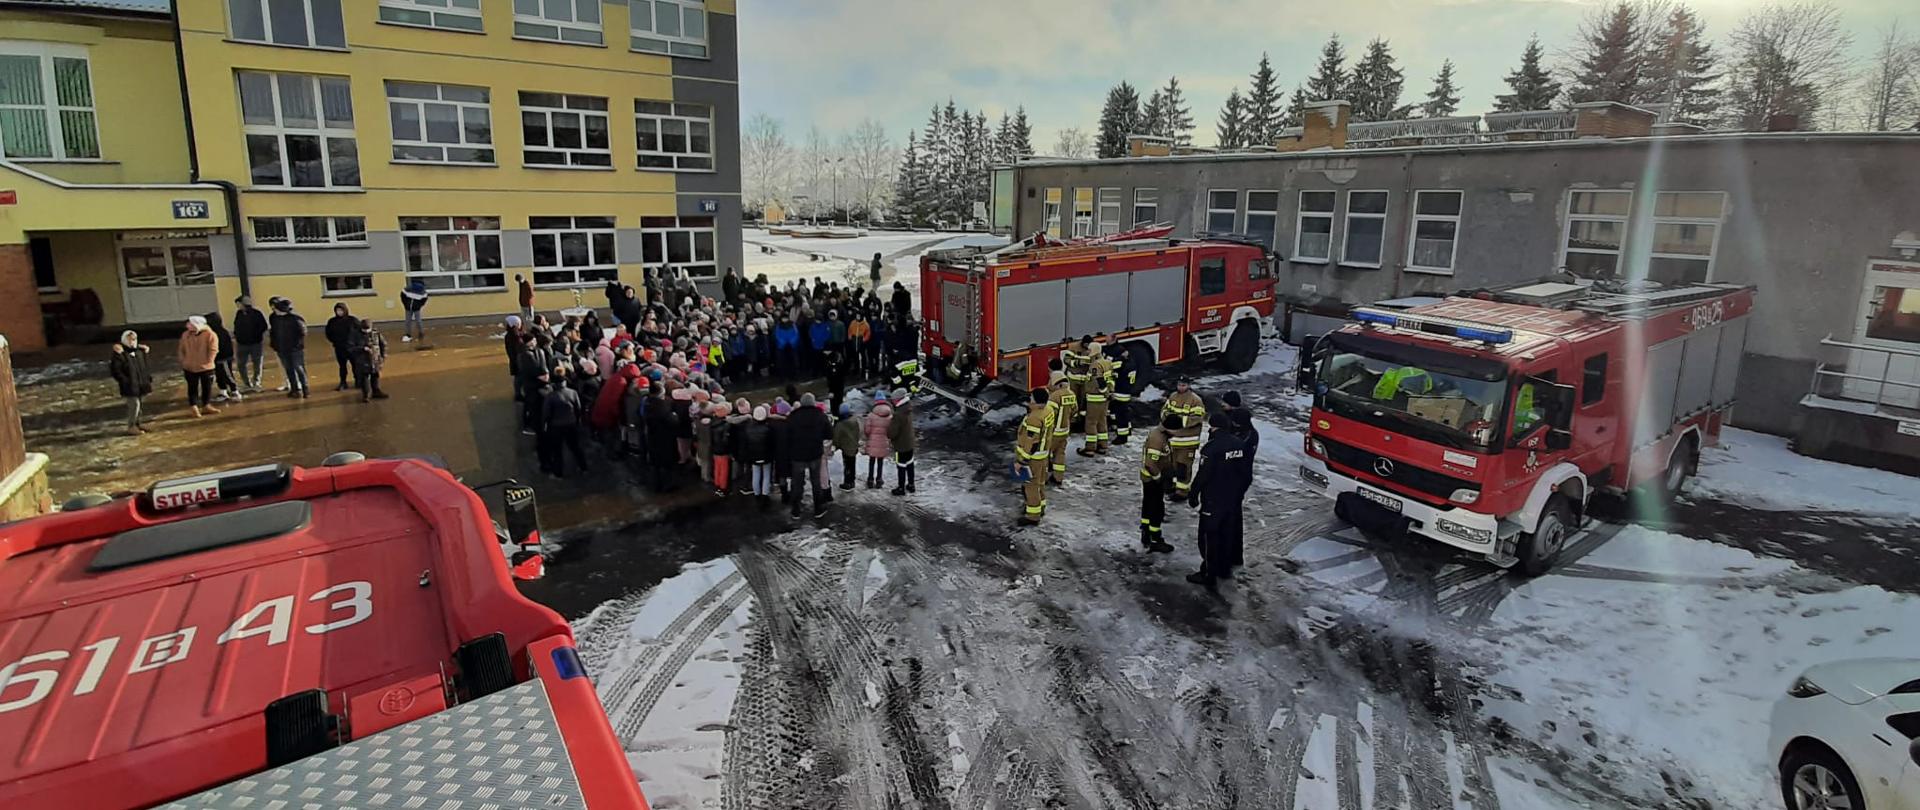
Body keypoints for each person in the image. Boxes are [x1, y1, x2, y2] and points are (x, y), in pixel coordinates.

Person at [1186, 411, 1253, 590]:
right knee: (1227, 533)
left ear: (1214, 426)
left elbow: (1203, 475)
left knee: (1209, 536)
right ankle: (1224, 568)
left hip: (1214, 499)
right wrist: (1239, 493)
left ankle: (1208, 572)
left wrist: (1193, 494)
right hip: (1232, 500)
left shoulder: (1212, 448)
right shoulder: (1240, 445)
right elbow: (1247, 474)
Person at [785, 393, 832, 517]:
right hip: (815, 453)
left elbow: (786, 435)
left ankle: (796, 510)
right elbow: (829, 434)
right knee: (816, 481)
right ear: (813, 402)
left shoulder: (793, 416)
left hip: (797, 455)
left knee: (797, 483)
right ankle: (818, 508)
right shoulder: (820, 415)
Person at [1138, 414, 1179, 553]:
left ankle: (1146, 532)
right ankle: (1155, 539)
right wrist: (1159, 478)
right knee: (1156, 509)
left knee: (1148, 505)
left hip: (1150, 478)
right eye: (1177, 430)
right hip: (1153, 480)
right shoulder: (1158, 439)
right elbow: (1150, 463)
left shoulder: (1161, 435)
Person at [1162, 377, 1206, 501]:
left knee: (1183, 467)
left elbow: (1197, 417)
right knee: (1173, 466)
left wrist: (1178, 421)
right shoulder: (1172, 396)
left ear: (1188, 385)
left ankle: (1182, 492)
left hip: (1188, 441)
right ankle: (1173, 487)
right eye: (1179, 385)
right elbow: (1164, 411)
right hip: (1173, 440)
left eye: (1183, 385)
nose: (1181, 387)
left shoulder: (1195, 400)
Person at [540, 366, 589, 477]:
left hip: (556, 427)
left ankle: (558, 474)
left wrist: (544, 426)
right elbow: (578, 409)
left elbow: (546, 414)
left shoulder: (550, 396)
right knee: (576, 447)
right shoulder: (573, 393)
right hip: (571, 424)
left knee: (557, 451)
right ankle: (583, 467)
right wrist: (578, 422)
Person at [1015, 388, 1051, 525]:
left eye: (1031, 400)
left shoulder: (1034, 419)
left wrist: (1021, 461)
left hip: (1033, 459)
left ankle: (1033, 515)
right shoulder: (1048, 411)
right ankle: (1041, 506)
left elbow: (1032, 444)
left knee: (1030, 486)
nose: (1029, 402)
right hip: (1043, 455)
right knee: (1040, 483)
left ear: (1037, 403)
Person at [108, 331, 154, 435]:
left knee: (140, 405)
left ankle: (138, 423)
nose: (132, 342)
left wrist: (147, 378)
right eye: (129, 340)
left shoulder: (139, 352)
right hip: (130, 385)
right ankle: (131, 425)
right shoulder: (120, 354)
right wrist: (124, 380)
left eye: (134, 339)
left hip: (140, 383)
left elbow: (145, 366)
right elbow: (116, 370)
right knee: (134, 405)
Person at [177, 315, 220, 417]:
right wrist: (183, 361)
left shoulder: (210, 335)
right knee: (192, 388)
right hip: (189, 367)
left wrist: (209, 361)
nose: (187, 325)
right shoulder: (185, 335)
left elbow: (213, 349)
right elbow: (181, 348)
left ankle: (206, 405)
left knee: (207, 387)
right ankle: (194, 407)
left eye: (190, 323)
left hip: (206, 367)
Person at [268, 298, 309, 398]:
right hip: (282, 349)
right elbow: (273, 333)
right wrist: (274, 344)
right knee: (288, 369)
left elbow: (303, 332)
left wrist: (297, 344)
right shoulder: (275, 319)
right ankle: (294, 389)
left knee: (299, 368)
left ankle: (305, 389)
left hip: (295, 349)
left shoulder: (296, 319)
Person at [1045, 360, 1076, 485]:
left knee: (1045, 455)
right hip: (1065, 430)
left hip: (1053, 432)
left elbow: (1049, 414)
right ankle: (1058, 477)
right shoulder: (1071, 394)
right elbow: (1074, 410)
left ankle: (1044, 477)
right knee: (1060, 453)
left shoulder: (1054, 396)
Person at [1078, 350, 1113, 456]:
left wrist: (1105, 393)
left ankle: (1090, 448)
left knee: (1091, 423)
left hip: (1095, 398)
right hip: (1103, 400)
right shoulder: (1107, 363)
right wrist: (1109, 393)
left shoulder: (1095, 365)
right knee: (1102, 421)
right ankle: (1103, 446)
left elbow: (1099, 381)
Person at [232, 295, 269, 392]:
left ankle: (256, 382)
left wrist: (257, 336)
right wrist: (237, 336)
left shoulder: (256, 313)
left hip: (255, 343)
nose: (237, 306)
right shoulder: (239, 314)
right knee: (241, 364)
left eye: (238, 304)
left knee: (257, 363)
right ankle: (246, 383)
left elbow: (263, 326)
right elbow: (236, 326)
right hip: (241, 344)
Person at [741, 405, 775, 505]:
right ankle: (765, 495)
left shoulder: (747, 429)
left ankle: (757, 494)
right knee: (766, 475)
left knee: (756, 474)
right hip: (766, 457)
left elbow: (745, 444)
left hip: (753, 456)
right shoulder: (769, 428)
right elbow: (772, 444)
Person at [206, 311, 242, 403]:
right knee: (219, 376)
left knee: (227, 375)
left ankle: (235, 391)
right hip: (216, 359)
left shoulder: (222, 333)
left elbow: (226, 347)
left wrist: (224, 357)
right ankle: (223, 391)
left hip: (224, 358)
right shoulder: (212, 333)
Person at [349, 318, 389, 401]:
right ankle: (366, 394)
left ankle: (376, 391)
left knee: (375, 375)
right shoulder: (355, 335)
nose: (367, 332)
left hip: (375, 359)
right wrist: (362, 348)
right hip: (362, 360)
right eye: (364, 330)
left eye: (368, 330)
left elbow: (383, 344)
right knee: (364, 377)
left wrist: (383, 356)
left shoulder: (376, 333)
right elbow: (350, 348)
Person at [886, 393, 917, 495]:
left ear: (898, 400)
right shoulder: (908, 408)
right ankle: (911, 485)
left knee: (901, 466)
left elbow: (892, 433)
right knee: (910, 463)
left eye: (894, 400)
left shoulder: (898, 414)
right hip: (909, 442)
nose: (892, 401)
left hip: (901, 445)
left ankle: (901, 488)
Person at [1108, 342, 1138, 444]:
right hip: (1127, 392)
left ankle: (1122, 437)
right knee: (1124, 413)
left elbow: (1112, 367)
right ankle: (1127, 430)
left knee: (1121, 416)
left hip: (1120, 393)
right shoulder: (1132, 362)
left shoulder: (1121, 364)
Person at [325, 303, 358, 391]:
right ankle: (343, 382)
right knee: (342, 366)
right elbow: (328, 333)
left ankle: (358, 381)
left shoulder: (352, 320)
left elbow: (358, 332)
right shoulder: (332, 322)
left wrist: (355, 343)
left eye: (341, 310)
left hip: (352, 348)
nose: (339, 312)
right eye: (337, 310)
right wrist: (335, 341)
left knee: (355, 365)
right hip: (339, 348)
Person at [862, 396, 892, 489]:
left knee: (871, 461)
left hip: (873, 441)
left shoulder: (871, 415)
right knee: (880, 462)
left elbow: (867, 430)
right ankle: (879, 480)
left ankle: (870, 480)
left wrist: (869, 437)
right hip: (883, 441)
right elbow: (891, 430)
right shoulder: (890, 415)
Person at [833, 403, 862, 490]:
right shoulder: (855, 421)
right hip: (854, 446)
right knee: (852, 464)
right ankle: (852, 481)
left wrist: (836, 446)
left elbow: (836, 437)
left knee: (847, 466)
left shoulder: (840, 424)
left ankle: (847, 483)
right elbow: (859, 433)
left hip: (845, 448)